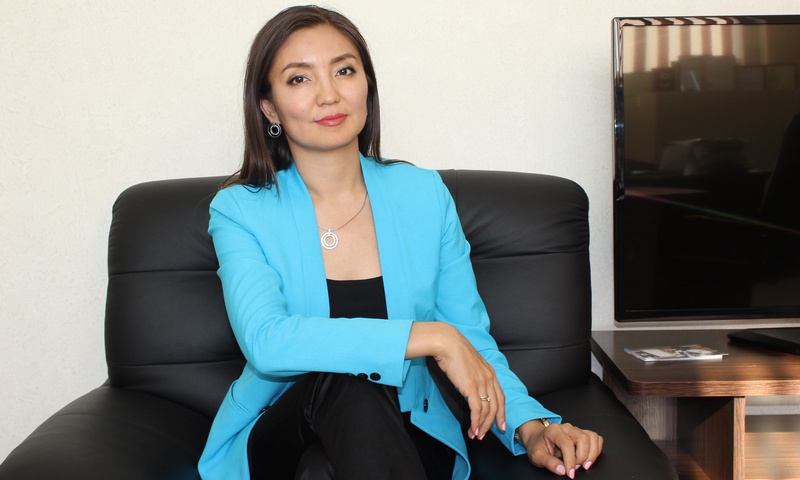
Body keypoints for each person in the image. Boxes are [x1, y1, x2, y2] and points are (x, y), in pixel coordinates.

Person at [198, 5, 603, 480]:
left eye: (344, 71)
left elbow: (471, 340)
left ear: (366, 85)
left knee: (324, 469)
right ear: (269, 108)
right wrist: (433, 337)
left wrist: (531, 429)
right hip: (282, 430)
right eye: (300, 79)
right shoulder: (240, 210)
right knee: (349, 383)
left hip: (409, 428)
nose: (329, 94)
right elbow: (267, 341)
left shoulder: (423, 195)